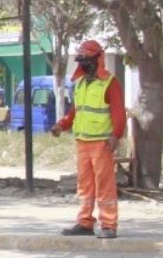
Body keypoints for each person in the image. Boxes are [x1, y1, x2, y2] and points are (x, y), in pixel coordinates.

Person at [49, 39, 127, 239]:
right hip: (82, 142)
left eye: (87, 59)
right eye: (81, 59)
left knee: (104, 184)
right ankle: (85, 222)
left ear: (97, 59)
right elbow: (76, 111)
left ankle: (109, 224)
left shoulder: (110, 83)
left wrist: (115, 135)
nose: (84, 63)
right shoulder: (81, 84)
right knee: (85, 185)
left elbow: (118, 113)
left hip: (102, 143)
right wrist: (62, 124)